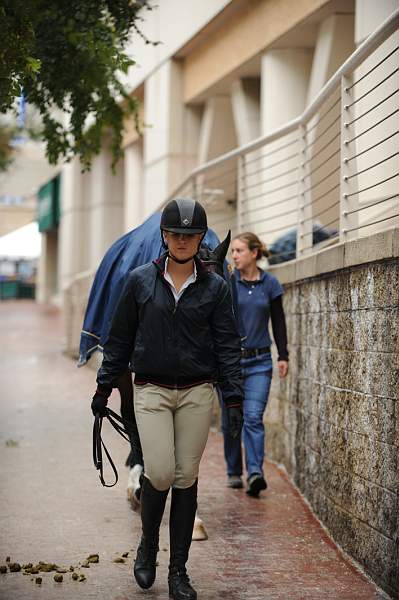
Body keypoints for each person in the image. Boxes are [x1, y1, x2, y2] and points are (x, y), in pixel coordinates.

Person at [91, 198, 243, 600]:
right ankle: (147, 545)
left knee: (186, 477)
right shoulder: (140, 281)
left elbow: (228, 345)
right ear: (165, 237)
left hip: (196, 392)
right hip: (152, 390)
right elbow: (119, 339)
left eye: (190, 235)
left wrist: (233, 398)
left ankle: (179, 571)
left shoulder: (215, 287)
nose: (182, 241)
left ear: (199, 240)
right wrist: (104, 387)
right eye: (176, 234)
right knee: (159, 472)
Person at [220, 231, 289, 496]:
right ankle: (234, 471)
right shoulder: (227, 282)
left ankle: (255, 473)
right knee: (230, 421)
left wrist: (283, 355)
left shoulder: (270, 284)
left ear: (254, 253)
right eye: (233, 251)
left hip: (260, 361)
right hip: (230, 364)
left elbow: (279, 321)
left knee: (252, 417)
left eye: (239, 251)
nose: (234, 256)